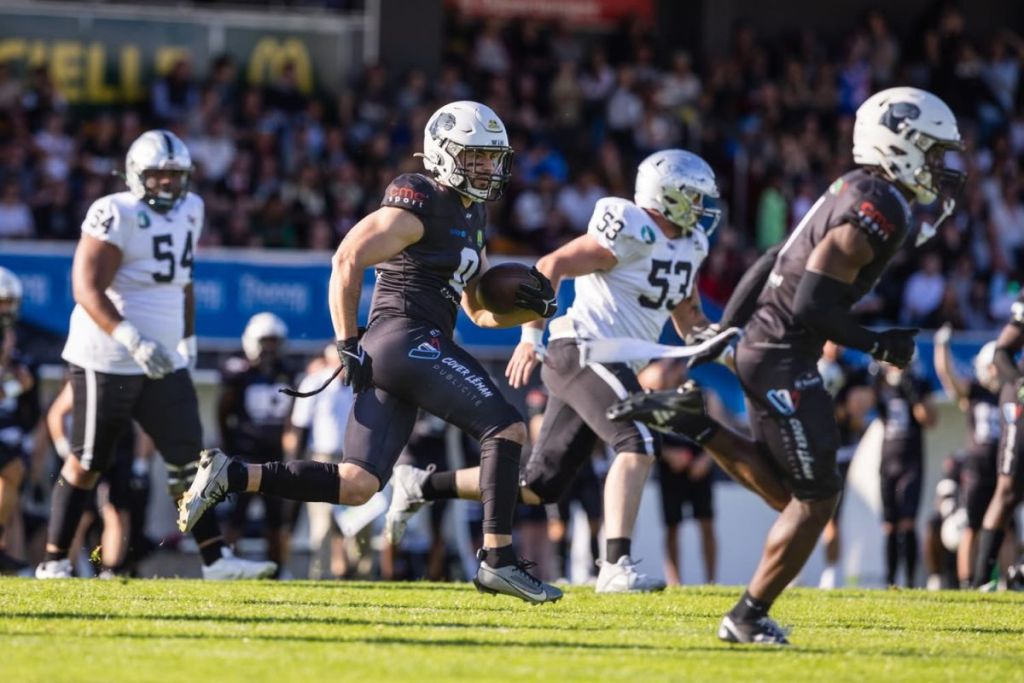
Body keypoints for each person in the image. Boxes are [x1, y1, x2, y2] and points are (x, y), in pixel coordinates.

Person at [610, 87, 964, 643]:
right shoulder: (880, 204)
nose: (941, 166)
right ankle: (747, 616)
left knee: (792, 497)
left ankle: (693, 423)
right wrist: (879, 344)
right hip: (784, 358)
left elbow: (776, 257)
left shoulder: (852, 188)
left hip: (767, 350)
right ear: (902, 145)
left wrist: (727, 326)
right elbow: (810, 304)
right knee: (816, 500)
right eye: (933, 151)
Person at [179, 101, 563, 603]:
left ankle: (231, 474)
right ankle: (498, 560)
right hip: (404, 338)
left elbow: (479, 312)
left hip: (416, 344)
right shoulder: (419, 201)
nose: (489, 168)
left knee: (358, 484)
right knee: (507, 427)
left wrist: (534, 312)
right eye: (476, 158)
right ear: (444, 155)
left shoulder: (472, 214)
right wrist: (345, 342)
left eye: (492, 158)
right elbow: (347, 257)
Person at [386, 148, 724, 593]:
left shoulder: (690, 245)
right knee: (637, 439)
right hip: (581, 350)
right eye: (694, 196)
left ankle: (423, 485)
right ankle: (615, 565)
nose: (702, 208)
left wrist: (720, 338)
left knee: (537, 484)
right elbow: (551, 266)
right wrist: (531, 338)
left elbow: (689, 318)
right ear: (667, 196)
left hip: (611, 363)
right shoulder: (630, 227)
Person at [36, 129, 276, 580]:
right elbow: (85, 287)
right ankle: (54, 560)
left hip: (163, 358)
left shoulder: (192, 209)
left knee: (190, 459)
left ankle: (215, 559)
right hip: (106, 357)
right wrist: (130, 338)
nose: (167, 183)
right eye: (157, 175)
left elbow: (182, 281)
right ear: (135, 175)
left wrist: (186, 339)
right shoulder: (114, 212)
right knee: (89, 460)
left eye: (175, 175)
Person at [218, 312, 295, 576]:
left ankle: (277, 568)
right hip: (245, 453)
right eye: (265, 341)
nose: (270, 348)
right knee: (236, 514)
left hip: (274, 455)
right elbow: (223, 410)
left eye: (274, 341)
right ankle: (225, 564)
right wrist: (230, 447)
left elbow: (292, 416)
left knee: (276, 518)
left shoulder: (287, 372)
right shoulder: (240, 372)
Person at [933, 325, 1001, 587]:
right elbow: (949, 377)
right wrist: (942, 348)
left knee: (1003, 530)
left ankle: (1005, 582)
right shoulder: (975, 392)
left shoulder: (1010, 394)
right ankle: (967, 582)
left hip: (1003, 468)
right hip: (978, 467)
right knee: (971, 526)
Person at [282, 344, 354, 580]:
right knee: (322, 522)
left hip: (352, 461)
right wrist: (295, 465)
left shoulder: (359, 384)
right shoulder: (315, 382)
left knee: (356, 523)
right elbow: (300, 426)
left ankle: (357, 575)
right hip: (321, 457)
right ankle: (320, 575)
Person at [972, 291, 1024, 589]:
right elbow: (1001, 351)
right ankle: (980, 581)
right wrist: (1019, 383)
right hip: (1020, 401)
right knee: (1007, 491)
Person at [873, 361, 936, 587]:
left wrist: (911, 389)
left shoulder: (918, 383)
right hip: (888, 460)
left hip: (911, 461)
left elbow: (929, 419)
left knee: (908, 523)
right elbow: (866, 409)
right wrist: (876, 381)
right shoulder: (882, 385)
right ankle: (890, 581)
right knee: (889, 524)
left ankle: (909, 582)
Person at [816, 342, 873, 589]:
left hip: (843, 453)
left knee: (833, 516)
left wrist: (843, 409)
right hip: (813, 451)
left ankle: (832, 571)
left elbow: (857, 415)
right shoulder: (808, 364)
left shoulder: (852, 371)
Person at [0, 267, 38, 574]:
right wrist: (15, 384)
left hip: (8, 433)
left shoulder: (14, 338)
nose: (7, 310)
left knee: (12, 472)